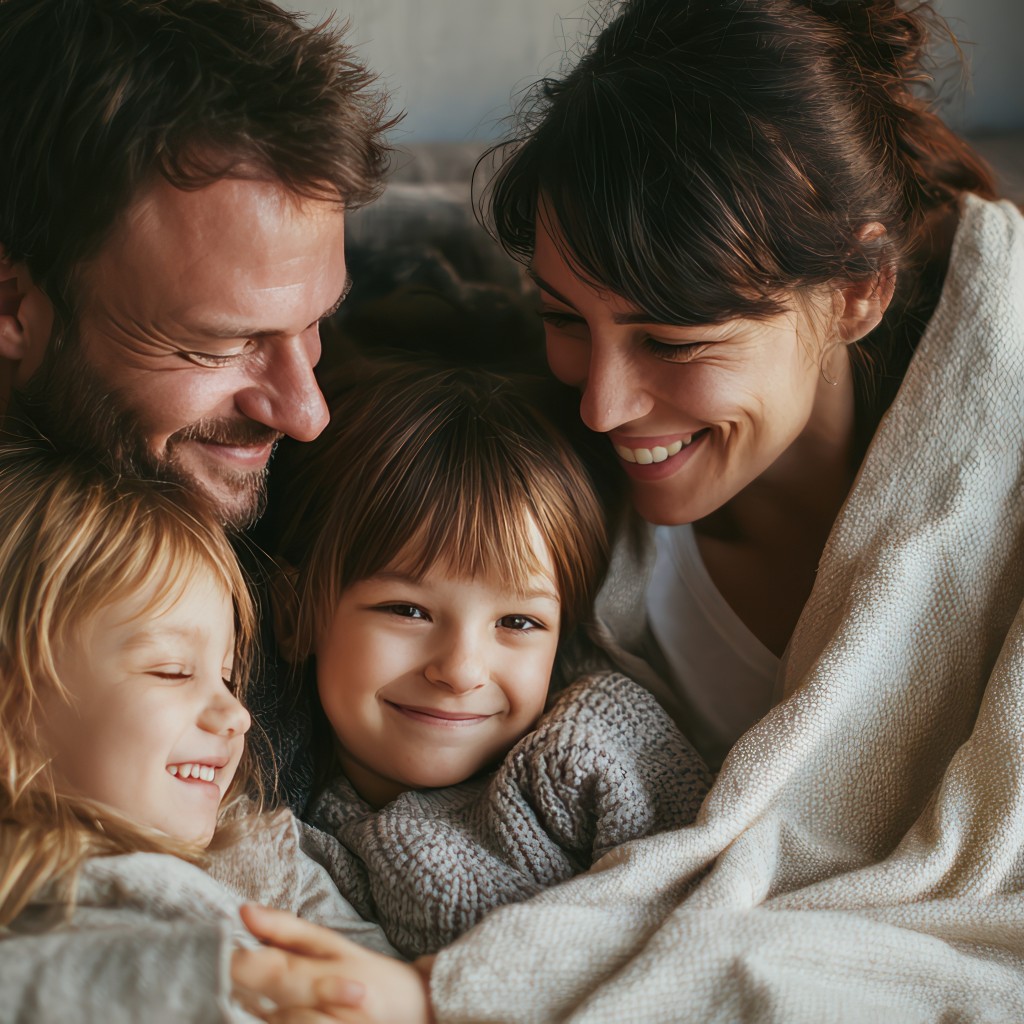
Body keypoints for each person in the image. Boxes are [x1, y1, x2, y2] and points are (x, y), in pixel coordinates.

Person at [365, 1, 1018, 1020]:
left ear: (858, 291)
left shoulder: (996, 489)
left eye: (670, 342)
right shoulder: (555, 526)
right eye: (563, 320)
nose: (601, 404)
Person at [0, 0, 395, 811]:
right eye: (218, 345)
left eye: (315, 321)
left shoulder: (340, 498)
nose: (306, 414)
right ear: (13, 303)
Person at [264, 360, 710, 959]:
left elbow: (705, 919)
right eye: (408, 610)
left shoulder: (596, 745)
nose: (460, 670)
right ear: (295, 617)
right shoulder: (281, 828)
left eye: (518, 623)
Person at [0, 442, 398, 1022]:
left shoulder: (269, 859)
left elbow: (377, 981)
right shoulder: (26, 883)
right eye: (172, 671)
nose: (236, 714)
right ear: (15, 701)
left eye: (230, 677)